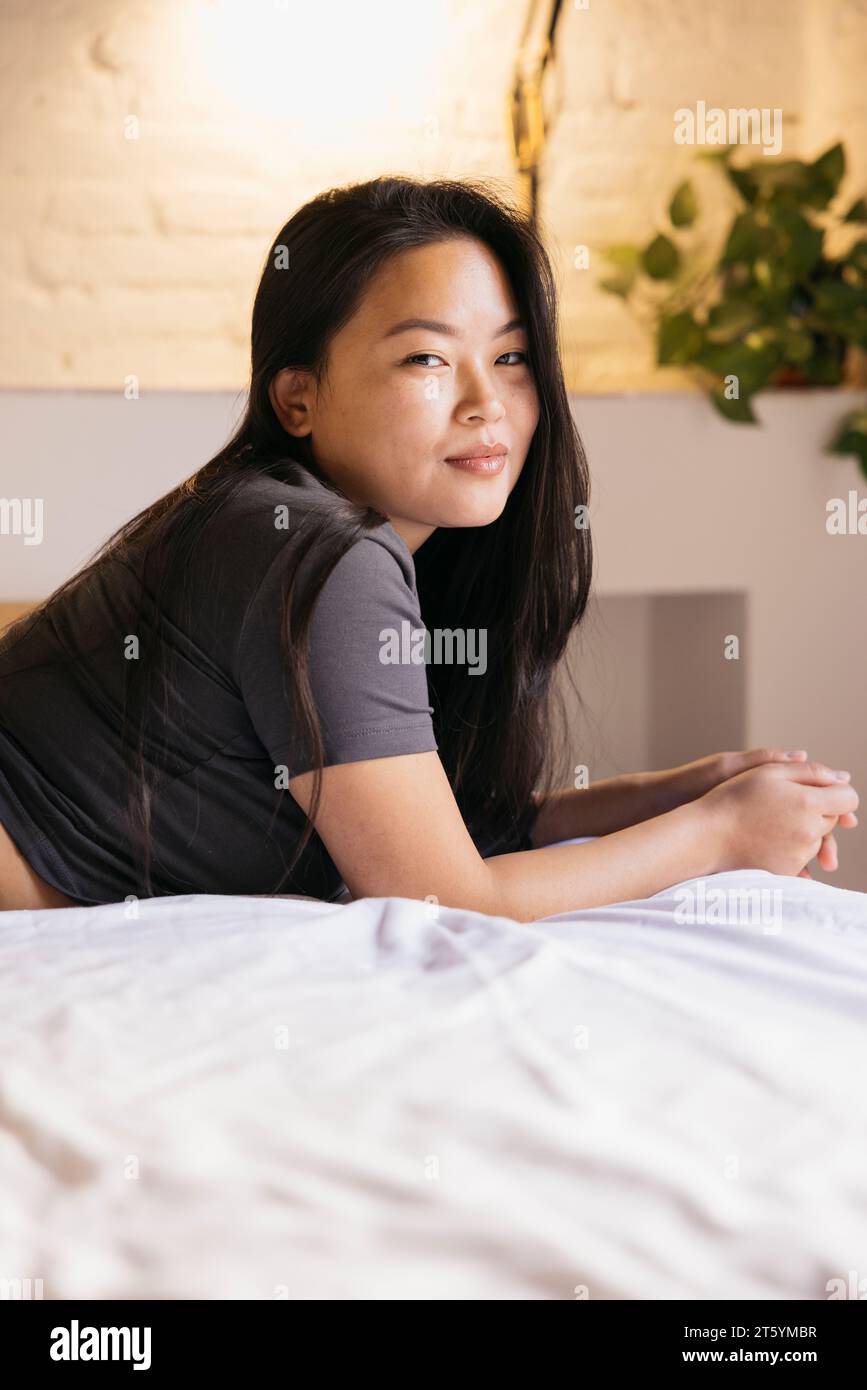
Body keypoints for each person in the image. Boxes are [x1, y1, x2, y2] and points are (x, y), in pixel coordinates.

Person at [0, 176, 858, 915]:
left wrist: (667, 794)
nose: (486, 401)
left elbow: (436, 824)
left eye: (513, 355)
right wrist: (717, 834)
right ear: (298, 399)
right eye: (425, 359)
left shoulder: (311, 529)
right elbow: (442, 900)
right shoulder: (315, 549)